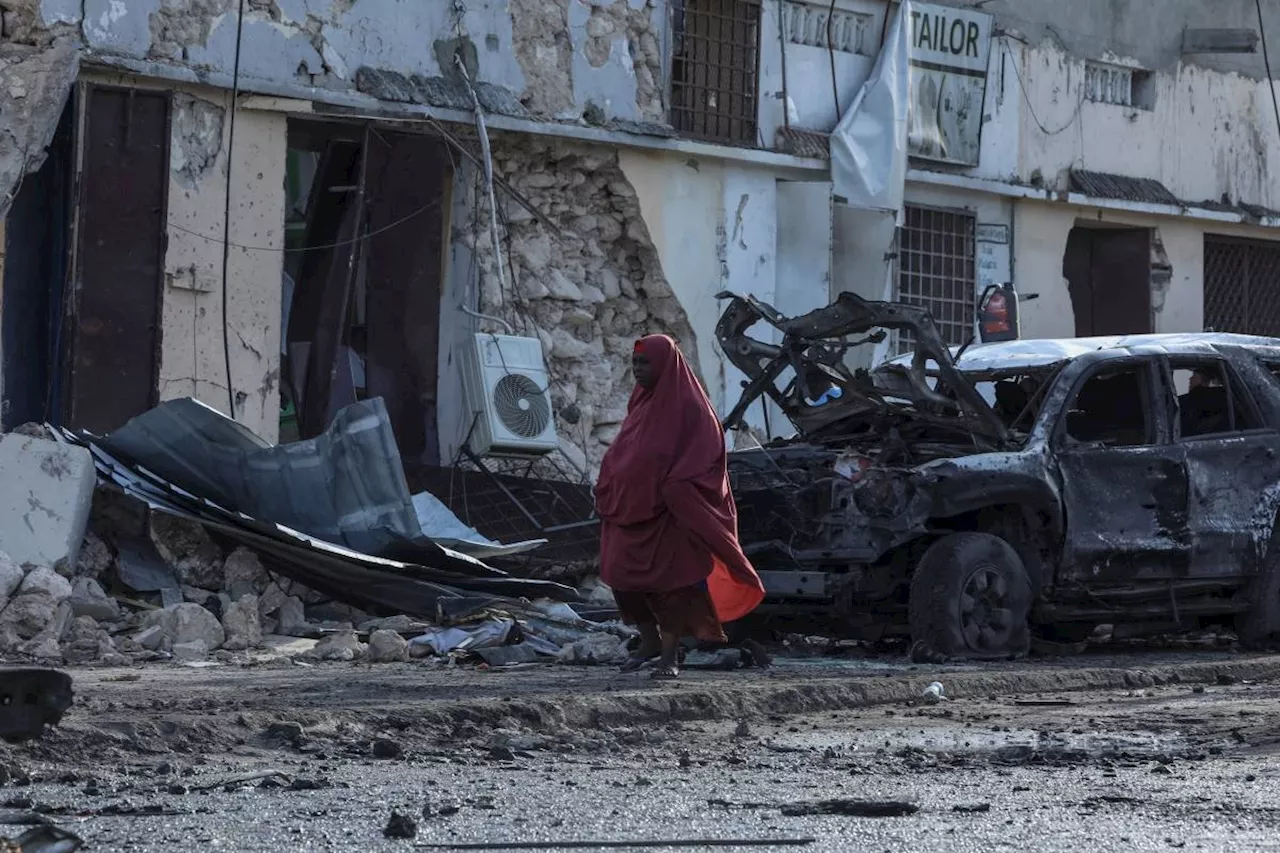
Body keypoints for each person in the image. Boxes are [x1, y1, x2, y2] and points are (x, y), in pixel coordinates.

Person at [594, 335, 766, 679]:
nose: (638, 370)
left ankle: (670, 656)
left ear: (665, 364)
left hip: (671, 517)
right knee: (619, 576)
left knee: (673, 588)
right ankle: (649, 642)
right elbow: (626, 451)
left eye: (645, 363)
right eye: (635, 363)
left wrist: (675, 488)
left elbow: (706, 461)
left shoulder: (693, 409)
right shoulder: (641, 403)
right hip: (629, 512)